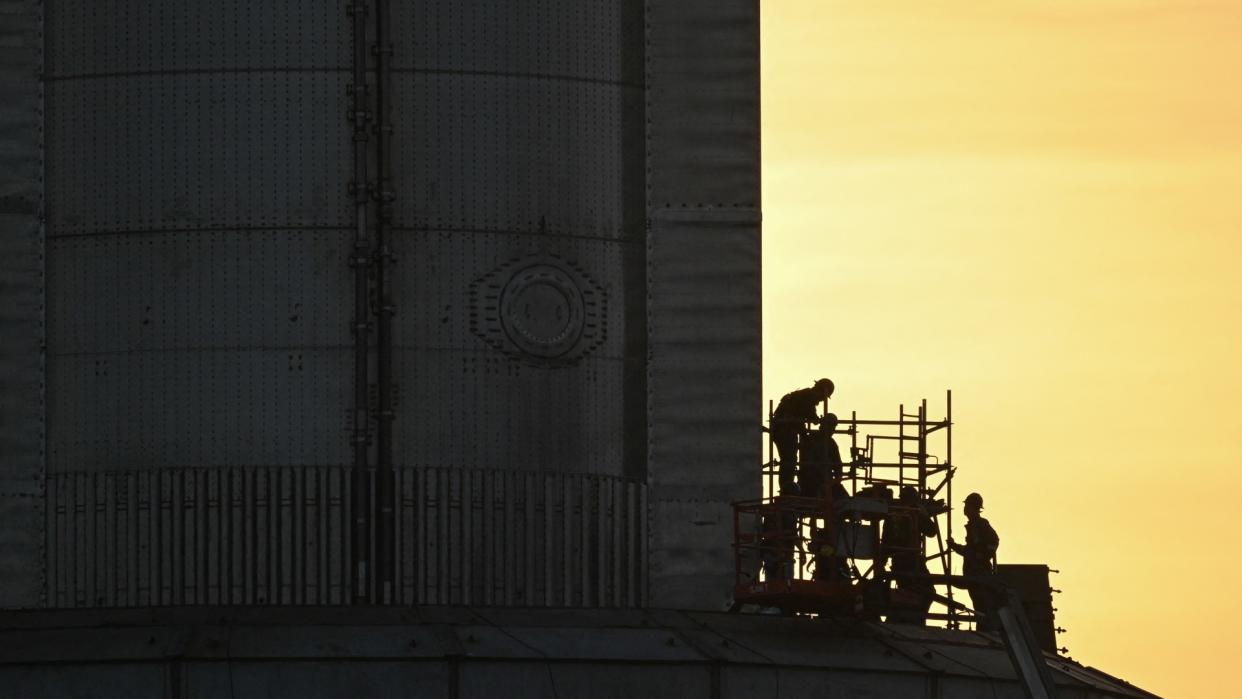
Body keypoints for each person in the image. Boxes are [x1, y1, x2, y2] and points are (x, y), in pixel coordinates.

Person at [882, 486, 939, 625]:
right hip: (911, 561)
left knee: (907, 592)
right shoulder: (914, 513)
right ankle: (913, 620)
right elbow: (931, 532)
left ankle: (903, 618)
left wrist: (882, 561)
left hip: (897, 561)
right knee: (927, 591)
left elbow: (885, 539)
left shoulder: (892, 514)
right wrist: (924, 514)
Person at [770, 378, 834, 494]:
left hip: (783, 430)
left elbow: (802, 416)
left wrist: (806, 433)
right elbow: (802, 417)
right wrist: (807, 433)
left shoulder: (805, 396)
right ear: (821, 391)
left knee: (789, 460)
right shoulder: (808, 397)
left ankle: (787, 488)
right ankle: (787, 489)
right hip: (784, 430)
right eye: (824, 397)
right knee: (789, 460)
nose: (822, 401)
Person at [948, 492, 1000, 631]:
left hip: (980, 573)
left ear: (974, 507)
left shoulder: (981, 524)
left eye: (967, 506)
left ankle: (985, 630)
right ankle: (983, 628)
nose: (965, 509)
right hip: (973, 572)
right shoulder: (973, 526)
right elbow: (969, 551)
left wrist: (982, 556)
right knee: (978, 605)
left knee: (982, 606)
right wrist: (955, 546)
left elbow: (994, 542)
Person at [797, 413, 843, 497]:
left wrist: (831, 484)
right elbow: (838, 469)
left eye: (833, 427)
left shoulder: (830, 443)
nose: (833, 430)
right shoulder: (812, 440)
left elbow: (838, 468)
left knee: (844, 500)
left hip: (822, 483)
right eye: (831, 427)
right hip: (810, 483)